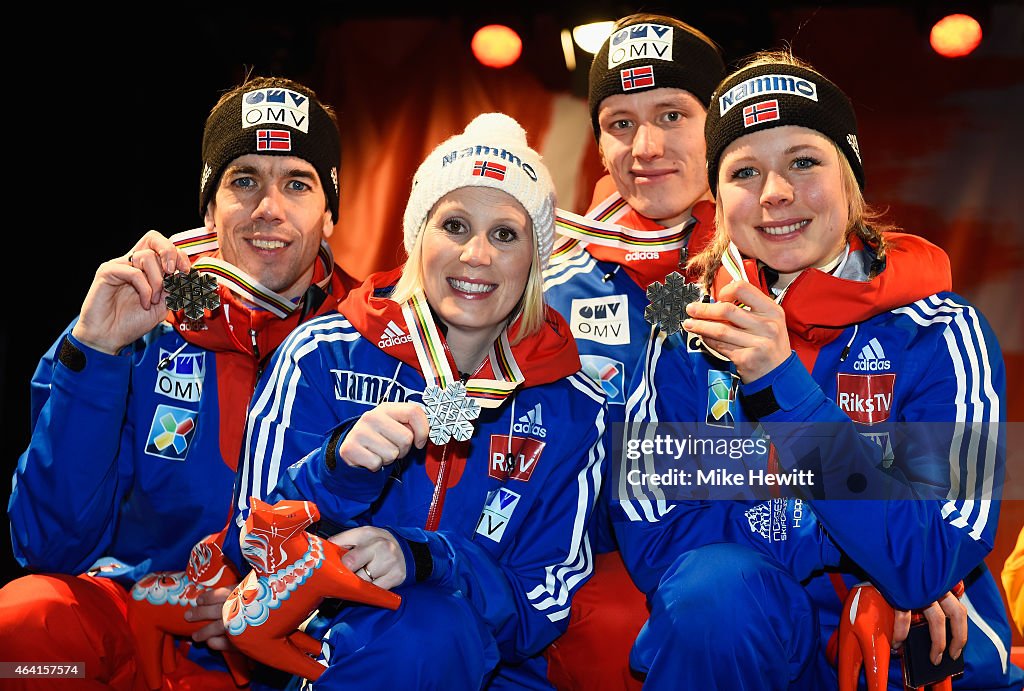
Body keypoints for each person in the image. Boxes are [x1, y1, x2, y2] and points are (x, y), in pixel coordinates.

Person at [616, 51, 1024, 689]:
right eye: (745, 170)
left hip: (918, 664)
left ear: (851, 182)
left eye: (804, 161)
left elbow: (934, 553)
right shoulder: (684, 340)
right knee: (711, 594)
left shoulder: (940, 334)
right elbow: (657, 536)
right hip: (759, 647)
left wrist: (784, 391)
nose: (775, 193)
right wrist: (861, 551)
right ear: (718, 200)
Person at [227, 112, 607, 689]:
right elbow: (249, 544)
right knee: (416, 633)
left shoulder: (572, 404)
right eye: (454, 225)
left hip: (494, 669)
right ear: (416, 238)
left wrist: (426, 560)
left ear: (534, 259)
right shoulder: (323, 355)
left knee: (430, 624)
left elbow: (544, 602)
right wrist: (339, 467)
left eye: (505, 234)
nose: (476, 255)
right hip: (325, 656)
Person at [1, 75, 356, 689]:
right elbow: (46, 545)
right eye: (243, 180)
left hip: (305, 640)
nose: (267, 207)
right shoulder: (137, 318)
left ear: (329, 214)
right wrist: (97, 352)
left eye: (296, 183)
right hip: (144, 628)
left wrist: (271, 602)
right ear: (209, 207)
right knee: (25, 634)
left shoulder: (372, 339)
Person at [540, 13, 725, 690]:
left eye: (672, 114)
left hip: (759, 566)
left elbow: (858, 453)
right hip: (604, 581)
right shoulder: (552, 290)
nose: (645, 146)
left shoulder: (777, 265)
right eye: (620, 122)